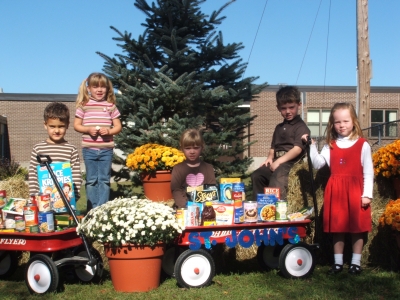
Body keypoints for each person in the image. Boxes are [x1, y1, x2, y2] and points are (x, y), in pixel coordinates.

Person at [302, 102, 373, 275]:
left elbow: (369, 172)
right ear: (332, 124)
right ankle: (338, 263)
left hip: (356, 191)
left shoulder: (362, 144)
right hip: (337, 193)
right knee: (338, 228)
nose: (342, 125)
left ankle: (356, 263)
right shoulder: (330, 145)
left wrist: (367, 195)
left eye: (346, 121)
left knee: (357, 229)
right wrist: (311, 146)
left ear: (354, 121)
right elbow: (318, 164)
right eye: (338, 122)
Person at [251, 85, 310, 201]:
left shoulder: (301, 127)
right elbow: (273, 146)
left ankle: (277, 209)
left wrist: (279, 161)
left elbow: (297, 149)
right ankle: (257, 206)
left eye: (291, 107)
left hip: (292, 163)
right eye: (284, 108)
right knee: (257, 175)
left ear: (299, 104)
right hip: (277, 161)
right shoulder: (279, 127)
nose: (288, 111)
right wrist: (269, 158)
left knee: (278, 177)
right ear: (278, 108)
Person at [74, 72, 122, 210]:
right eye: (95, 87)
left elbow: (118, 126)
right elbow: (76, 125)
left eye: (103, 87)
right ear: (88, 88)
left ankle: (102, 208)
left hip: (106, 149)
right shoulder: (84, 105)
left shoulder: (111, 106)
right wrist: (88, 129)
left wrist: (110, 131)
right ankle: (92, 208)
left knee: (104, 180)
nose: (99, 90)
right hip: (89, 149)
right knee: (91, 180)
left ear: (108, 89)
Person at [29, 102, 82, 200]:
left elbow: (76, 175)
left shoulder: (71, 149)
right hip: (43, 200)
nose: (57, 131)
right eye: (52, 126)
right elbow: (33, 175)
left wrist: (75, 196)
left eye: (61, 126)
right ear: (45, 125)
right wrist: (34, 196)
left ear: (67, 125)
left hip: (66, 200)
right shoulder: (38, 149)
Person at [171, 129, 216, 209]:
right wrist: (186, 207)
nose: (192, 151)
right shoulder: (178, 169)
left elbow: (211, 191)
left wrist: (204, 208)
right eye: (188, 148)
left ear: (202, 148)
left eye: (196, 148)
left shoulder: (208, 168)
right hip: (184, 209)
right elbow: (176, 190)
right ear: (182, 149)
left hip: (205, 209)